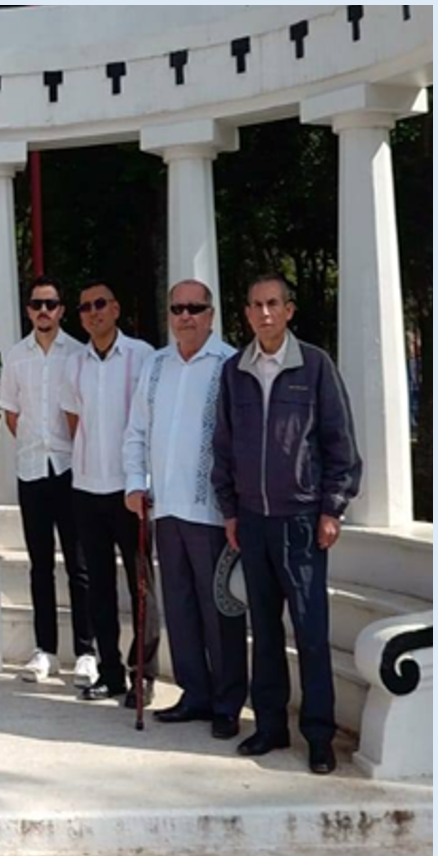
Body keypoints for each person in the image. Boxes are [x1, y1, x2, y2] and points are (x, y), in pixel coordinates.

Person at [212, 274, 361, 774]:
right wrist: (230, 510)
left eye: (273, 304)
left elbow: (339, 444)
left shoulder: (314, 366)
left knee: (311, 632)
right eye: (256, 305)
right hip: (252, 521)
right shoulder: (235, 370)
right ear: (247, 313)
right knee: (265, 631)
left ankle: (318, 735)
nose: (265, 313)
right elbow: (224, 446)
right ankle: (271, 726)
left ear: (289, 310)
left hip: (301, 521)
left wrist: (332, 509)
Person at [124, 280, 247, 739]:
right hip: (165, 509)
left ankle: (228, 701)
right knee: (179, 606)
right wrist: (135, 483)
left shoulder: (231, 364)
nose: (186, 316)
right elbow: (136, 430)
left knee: (221, 609)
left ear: (211, 314)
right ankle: (195, 693)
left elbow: (240, 440)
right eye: (178, 308)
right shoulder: (156, 366)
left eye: (195, 308)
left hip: (214, 512)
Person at [61, 279, 161, 706]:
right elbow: (72, 421)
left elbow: (153, 422)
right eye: (84, 308)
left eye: (100, 304)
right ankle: (110, 672)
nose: (92, 312)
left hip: (130, 489)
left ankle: (144, 675)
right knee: (98, 586)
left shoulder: (143, 357)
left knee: (141, 585)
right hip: (86, 488)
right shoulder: (74, 363)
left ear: (116, 308)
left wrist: (144, 480)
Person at [0, 276, 96, 687]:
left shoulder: (77, 353)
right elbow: (10, 411)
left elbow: (83, 411)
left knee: (79, 565)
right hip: (31, 469)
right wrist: (32, 444)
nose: (44, 311)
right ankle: (46, 651)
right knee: (40, 565)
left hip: (70, 468)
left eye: (51, 304)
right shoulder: (15, 355)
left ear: (61, 310)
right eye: (37, 303)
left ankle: (87, 652)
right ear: (28, 310)